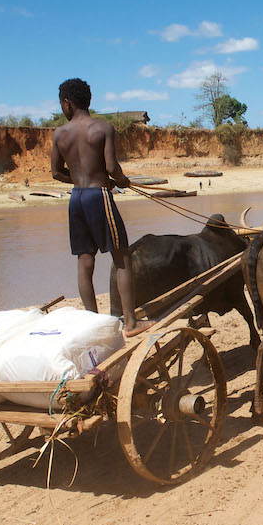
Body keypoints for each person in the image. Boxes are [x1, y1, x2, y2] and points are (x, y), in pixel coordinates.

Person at [50, 78, 151, 337]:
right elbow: (110, 166)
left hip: (77, 199)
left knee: (85, 260)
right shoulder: (103, 128)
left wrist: (80, 179)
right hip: (100, 197)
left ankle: (92, 324)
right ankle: (130, 323)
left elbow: (56, 173)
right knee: (122, 257)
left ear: (67, 103)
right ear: (87, 101)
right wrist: (121, 181)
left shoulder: (60, 134)